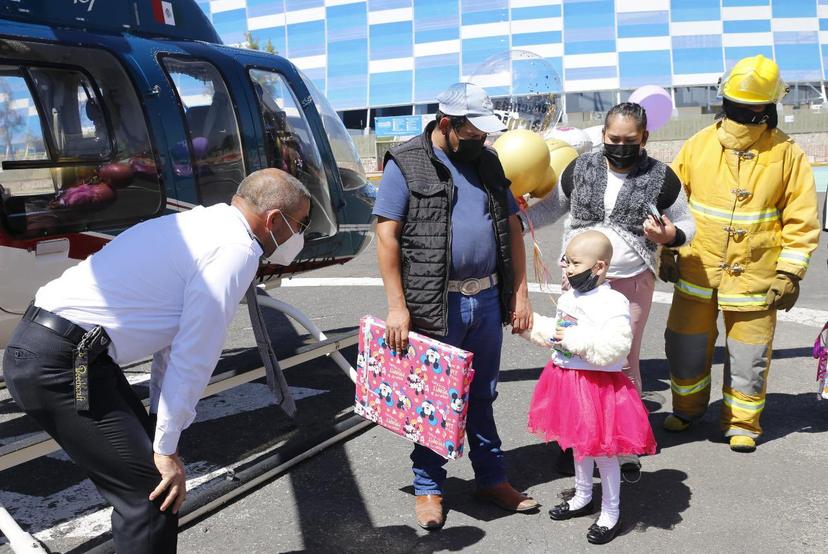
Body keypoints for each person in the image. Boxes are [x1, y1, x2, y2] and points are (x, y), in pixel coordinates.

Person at [2, 168, 311, 553]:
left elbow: (172, 346)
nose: (299, 236)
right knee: (153, 495)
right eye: (300, 224)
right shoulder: (236, 249)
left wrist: (163, 436)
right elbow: (195, 352)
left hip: (64, 351)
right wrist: (165, 450)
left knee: (152, 479)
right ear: (274, 220)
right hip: (64, 362)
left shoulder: (199, 224)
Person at [373, 82, 537, 530]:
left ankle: (492, 478)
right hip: (434, 303)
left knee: (483, 394)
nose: (482, 140)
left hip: (484, 300)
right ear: (447, 124)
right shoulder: (405, 162)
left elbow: (511, 227)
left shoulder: (486, 160)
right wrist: (397, 307)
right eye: (473, 132)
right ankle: (428, 487)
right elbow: (386, 235)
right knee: (435, 399)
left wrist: (519, 294)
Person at [521, 102, 695, 472]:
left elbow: (687, 224)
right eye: (613, 138)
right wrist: (515, 221)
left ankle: (624, 444)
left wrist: (671, 235)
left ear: (644, 138)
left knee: (620, 362)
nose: (620, 145)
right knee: (572, 358)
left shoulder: (662, 177)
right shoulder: (580, 167)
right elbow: (551, 208)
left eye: (629, 140)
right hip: (579, 284)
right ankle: (577, 441)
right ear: (602, 135)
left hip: (631, 284)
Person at [659, 54, 820, 452]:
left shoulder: (787, 153)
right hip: (697, 268)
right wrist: (665, 251)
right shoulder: (698, 146)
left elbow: (801, 217)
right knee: (686, 343)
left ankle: (742, 422)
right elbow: (671, 203)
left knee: (749, 352)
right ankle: (687, 408)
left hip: (756, 275)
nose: (745, 115)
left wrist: (789, 272)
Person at [522, 230, 656, 545]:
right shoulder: (570, 297)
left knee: (604, 453)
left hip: (597, 387)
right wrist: (533, 328)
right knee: (577, 445)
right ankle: (582, 496)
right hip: (566, 380)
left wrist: (573, 340)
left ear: (598, 267)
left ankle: (611, 511)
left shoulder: (613, 301)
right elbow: (559, 333)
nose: (567, 268)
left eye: (574, 263)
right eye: (566, 262)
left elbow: (616, 347)